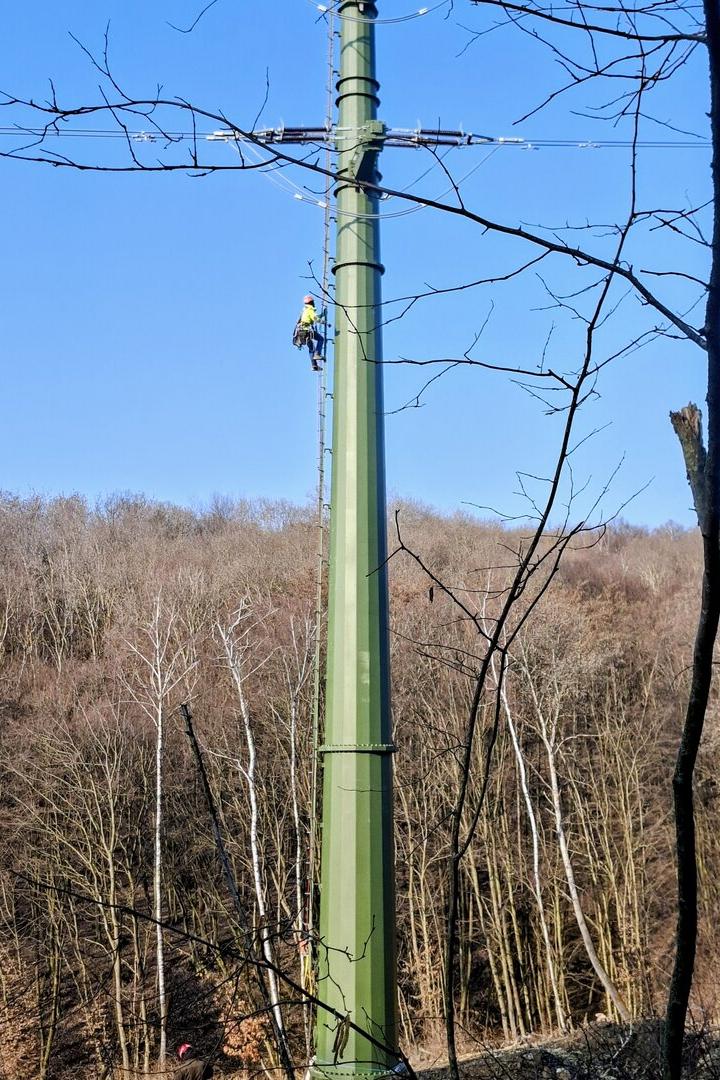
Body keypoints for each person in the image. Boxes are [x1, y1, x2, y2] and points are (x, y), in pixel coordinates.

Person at [294, 294, 325, 371]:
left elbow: (314, 317)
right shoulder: (310, 309)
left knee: (311, 348)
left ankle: (314, 365)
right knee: (321, 339)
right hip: (307, 331)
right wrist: (323, 322)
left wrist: (322, 315)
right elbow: (315, 318)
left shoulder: (304, 310)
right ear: (311, 302)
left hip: (301, 333)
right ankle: (317, 354)